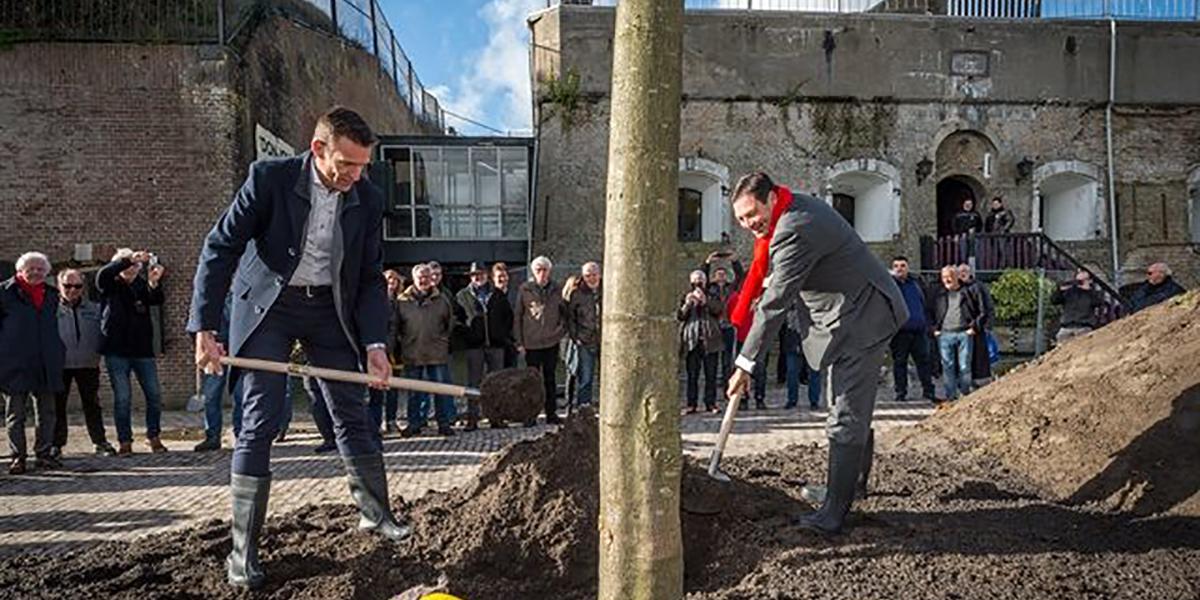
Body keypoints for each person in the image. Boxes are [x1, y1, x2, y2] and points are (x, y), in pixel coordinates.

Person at [189, 107, 409, 591]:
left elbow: (370, 277)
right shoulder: (268, 178)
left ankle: (376, 515)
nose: (355, 175)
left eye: (362, 166)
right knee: (261, 416)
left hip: (329, 310)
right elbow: (219, 248)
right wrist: (204, 327)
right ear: (318, 150)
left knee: (352, 410)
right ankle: (242, 554)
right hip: (270, 305)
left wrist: (375, 343)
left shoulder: (368, 199)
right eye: (346, 165)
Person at [725, 172, 908, 535]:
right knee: (845, 404)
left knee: (845, 410)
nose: (749, 225)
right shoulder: (790, 213)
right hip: (850, 313)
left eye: (752, 215)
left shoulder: (795, 228)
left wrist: (744, 364)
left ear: (772, 198)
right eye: (742, 219)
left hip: (863, 318)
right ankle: (849, 486)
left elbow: (776, 304)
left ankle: (833, 513)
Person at [97, 248, 167, 455]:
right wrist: (127, 259)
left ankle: (153, 436)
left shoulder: (140, 285)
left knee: (154, 395)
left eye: (136, 266)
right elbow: (103, 275)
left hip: (142, 350)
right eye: (127, 265)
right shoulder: (110, 284)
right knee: (123, 398)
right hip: (116, 350)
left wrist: (154, 282)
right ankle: (125, 441)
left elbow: (156, 300)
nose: (132, 269)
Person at [2, 252, 66, 474]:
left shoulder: (51, 295)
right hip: (14, 362)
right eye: (31, 268)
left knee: (47, 413)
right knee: (16, 414)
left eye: (41, 269)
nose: (36, 272)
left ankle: (44, 454)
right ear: (20, 270)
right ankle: (17, 456)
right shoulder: (4, 293)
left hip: (46, 361)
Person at [54, 269, 117, 457]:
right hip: (60, 365)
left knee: (92, 404)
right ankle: (56, 444)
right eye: (67, 286)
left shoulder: (94, 309)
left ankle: (100, 442)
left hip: (88, 364)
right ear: (59, 285)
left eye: (77, 286)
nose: (72, 290)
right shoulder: (50, 310)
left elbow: (104, 332)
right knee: (58, 406)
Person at [395, 263, 457, 437]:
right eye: (420, 277)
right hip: (412, 351)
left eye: (427, 277)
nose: (424, 280)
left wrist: (442, 340)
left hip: (436, 352)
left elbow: (449, 323)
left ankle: (443, 423)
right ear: (413, 279)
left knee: (441, 391)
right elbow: (395, 327)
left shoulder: (442, 300)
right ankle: (415, 423)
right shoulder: (402, 301)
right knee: (414, 392)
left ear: (432, 279)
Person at [455, 261, 512, 430]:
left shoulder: (498, 294)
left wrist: (502, 334)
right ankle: (473, 417)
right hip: (474, 346)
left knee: (497, 382)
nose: (477, 277)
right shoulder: (462, 296)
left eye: (480, 274)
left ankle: (496, 417)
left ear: (487, 275)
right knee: (473, 382)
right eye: (474, 275)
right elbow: (457, 320)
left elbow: (508, 317)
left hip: (496, 345)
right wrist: (467, 336)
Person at [514, 256, 567, 425]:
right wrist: (519, 341)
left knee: (550, 379)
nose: (542, 273)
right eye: (538, 270)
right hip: (531, 342)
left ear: (549, 271)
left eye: (545, 270)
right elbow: (518, 315)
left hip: (551, 342)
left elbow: (565, 314)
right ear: (533, 272)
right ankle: (530, 414)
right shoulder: (525, 289)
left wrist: (559, 332)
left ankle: (551, 413)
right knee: (531, 381)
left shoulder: (558, 289)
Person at [194, 292, 244, 452]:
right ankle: (212, 437)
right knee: (211, 396)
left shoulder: (240, 294)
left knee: (240, 396)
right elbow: (199, 323)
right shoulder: (209, 297)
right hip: (214, 352)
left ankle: (240, 435)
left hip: (237, 351)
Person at [932, 266, 983, 403]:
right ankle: (951, 397)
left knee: (964, 366)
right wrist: (934, 329)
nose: (947, 279)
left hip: (964, 333)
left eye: (950, 276)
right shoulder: (938, 293)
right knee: (947, 367)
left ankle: (965, 395)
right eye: (944, 277)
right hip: (944, 334)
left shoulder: (968, 291)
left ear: (957, 277)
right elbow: (929, 310)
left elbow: (981, 310)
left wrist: (974, 327)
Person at [888, 257, 936, 402]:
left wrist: (928, 324)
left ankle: (928, 392)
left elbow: (926, 304)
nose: (899, 269)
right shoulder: (890, 285)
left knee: (924, 362)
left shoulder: (916, 283)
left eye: (903, 266)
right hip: (899, 332)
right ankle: (900, 393)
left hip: (919, 331)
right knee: (899, 362)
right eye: (896, 266)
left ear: (908, 268)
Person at [679, 270, 723, 414]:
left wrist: (705, 301)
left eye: (701, 279)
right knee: (692, 375)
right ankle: (691, 404)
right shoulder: (686, 295)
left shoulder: (713, 294)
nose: (698, 282)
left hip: (710, 340)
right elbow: (680, 316)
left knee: (711, 375)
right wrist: (687, 304)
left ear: (705, 281)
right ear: (691, 281)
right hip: (692, 341)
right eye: (696, 279)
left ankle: (711, 403)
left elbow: (719, 310)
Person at [701, 251, 744, 395]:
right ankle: (711, 394)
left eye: (723, 274)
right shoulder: (710, 288)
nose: (720, 276)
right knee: (712, 362)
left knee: (728, 361)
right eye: (718, 274)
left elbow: (740, 277)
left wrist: (734, 262)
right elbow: (702, 279)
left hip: (728, 326)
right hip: (714, 327)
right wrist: (707, 263)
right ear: (714, 276)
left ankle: (728, 389)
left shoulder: (730, 288)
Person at [371, 268, 404, 434]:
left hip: (396, 352)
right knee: (376, 389)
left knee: (393, 389)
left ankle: (391, 420)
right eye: (388, 279)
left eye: (394, 280)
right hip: (378, 349)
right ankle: (375, 424)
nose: (391, 282)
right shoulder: (375, 301)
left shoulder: (401, 301)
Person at [566, 262, 602, 409]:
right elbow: (570, 318)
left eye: (594, 275)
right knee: (586, 378)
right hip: (585, 340)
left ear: (599, 275)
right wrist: (576, 337)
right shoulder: (577, 294)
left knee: (607, 377)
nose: (591, 278)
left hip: (605, 340)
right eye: (588, 275)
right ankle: (584, 408)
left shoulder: (608, 290)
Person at [958, 264, 993, 388]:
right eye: (960, 271)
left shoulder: (978, 287)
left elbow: (984, 309)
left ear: (970, 272)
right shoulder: (955, 288)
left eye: (964, 271)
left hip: (975, 329)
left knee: (978, 359)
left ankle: (980, 384)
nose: (962, 274)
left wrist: (975, 326)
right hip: (959, 329)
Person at [1052, 268, 1106, 344]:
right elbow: (1054, 300)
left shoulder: (1094, 292)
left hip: (1084, 327)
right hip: (1066, 327)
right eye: (1078, 272)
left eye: (1083, 272)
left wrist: (1088, 290)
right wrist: (1060, 290)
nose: (1080, 274)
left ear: (1090, 280)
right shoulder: (1069, 291)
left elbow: (1098, 302)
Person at [491, 262, 519, 369]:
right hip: (497, 346)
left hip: (512, 344)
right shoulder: (491, 296)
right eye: (499, 276)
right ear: (493, 278)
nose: (503, 279)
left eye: (505, 276)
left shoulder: (514, 294)